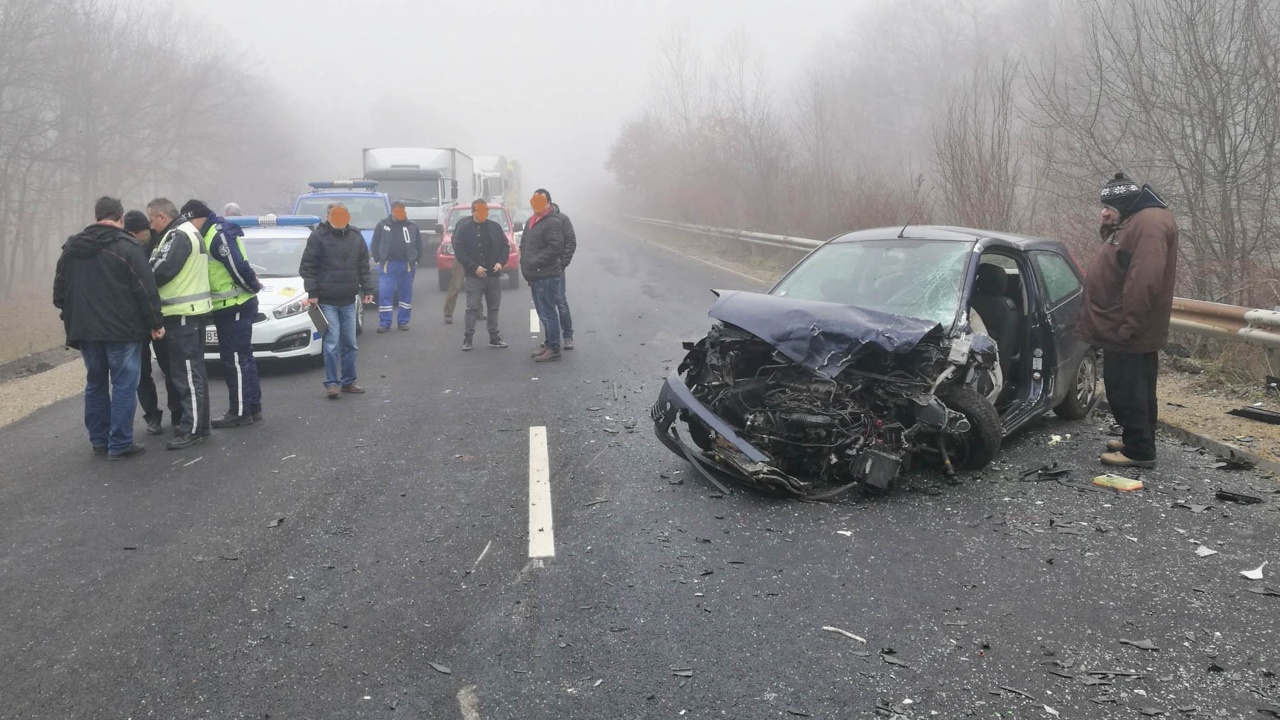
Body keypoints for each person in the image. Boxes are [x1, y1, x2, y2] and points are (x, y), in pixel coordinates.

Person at [1079, 172, 1179, 469]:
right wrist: (1111, 225)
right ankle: (1138, 439)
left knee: (1127, 389)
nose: (1104, 211)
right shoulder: (1138, 221)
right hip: (1127, 324)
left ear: (1123, 203)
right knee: (1136, 387)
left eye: (1109, 206)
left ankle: (1139, 451)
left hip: (1128, 327)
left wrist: (1129, 324)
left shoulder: (1148, 224)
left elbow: (1144, 279)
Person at [53, 197, 165, 460]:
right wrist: (156, 323)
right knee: (124, 385)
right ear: (121, 217)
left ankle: (99, 441)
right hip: (123, 331)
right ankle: (121, 443)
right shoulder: (127, 247)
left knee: (95, 384)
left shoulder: (71, 249)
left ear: (96, 216)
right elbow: (145, 291)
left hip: (86, 331)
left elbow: (59, 295)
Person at [150, 198, 215, 449]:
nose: (150, 224)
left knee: (187, 375)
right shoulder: (186, 231)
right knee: (194, 372)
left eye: (151, 218)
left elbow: (161, 271)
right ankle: (201, 425)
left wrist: (144, 274)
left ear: (161, 216)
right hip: (190, 313)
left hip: (182, 315)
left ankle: (192, 429)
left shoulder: (177, 235)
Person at [299, 203, 373, 399]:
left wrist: (368, 289)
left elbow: (363, 265)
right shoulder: (318, 237)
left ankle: (348, 381)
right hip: (327, 300)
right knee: (332, 343)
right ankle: (332, 383)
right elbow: (307, 267)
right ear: (328, 217)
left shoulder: (355, 236)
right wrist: (312, 292)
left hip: (349, 299)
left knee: (350, 343)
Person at [201, 205, 265, 428]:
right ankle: (252, 407)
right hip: (236, 304)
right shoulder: (219, 230)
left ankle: (239, 411)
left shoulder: (216, 235)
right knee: (244, 357)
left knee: (235, 360)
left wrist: (252, 286)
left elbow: (238, 268)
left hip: (233, 306)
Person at [453, 198, 509, 351]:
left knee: (493, 307)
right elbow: (459, 250)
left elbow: (505, 246)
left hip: (493, 275)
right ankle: (468, 339)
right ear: (473, 212)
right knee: (472, 308)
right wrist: (473, 267)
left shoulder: (495, 227)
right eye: (481, 210)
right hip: (474, 276)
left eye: (486, 210)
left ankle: (494, 337)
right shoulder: (465, 229)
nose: (485, 213)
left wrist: (500, 262)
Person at [520, 189, 566, 362]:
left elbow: (555, 248)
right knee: (542, 312)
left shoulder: (552, 222)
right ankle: (549, 343)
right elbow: (524, 244)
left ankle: (554, 348)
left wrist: (534, 261)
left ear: (548, 203)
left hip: (546, 274)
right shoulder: (532, 221)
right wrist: (524, 261)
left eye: (541, 201)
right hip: (535, 275)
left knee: (548, 313)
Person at [371, 201, 421, 332]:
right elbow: (375, 243)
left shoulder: (412, 226)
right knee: (385, 293)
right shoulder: (382, 225)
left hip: (407, 265)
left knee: (406, 294)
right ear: (392, 212)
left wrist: (416, 260)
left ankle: (403, 322)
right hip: (388, 265)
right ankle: (385, 323)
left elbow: (419, 245)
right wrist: (378, 259)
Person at [550, 195, 576, 350]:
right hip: (541, 270)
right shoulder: (536, 219)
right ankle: (551, 339)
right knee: (546, 306)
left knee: (560, 301)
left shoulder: (563, 219)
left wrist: (562, 263)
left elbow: (571, 242)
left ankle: (567, 336)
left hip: (557, 268)